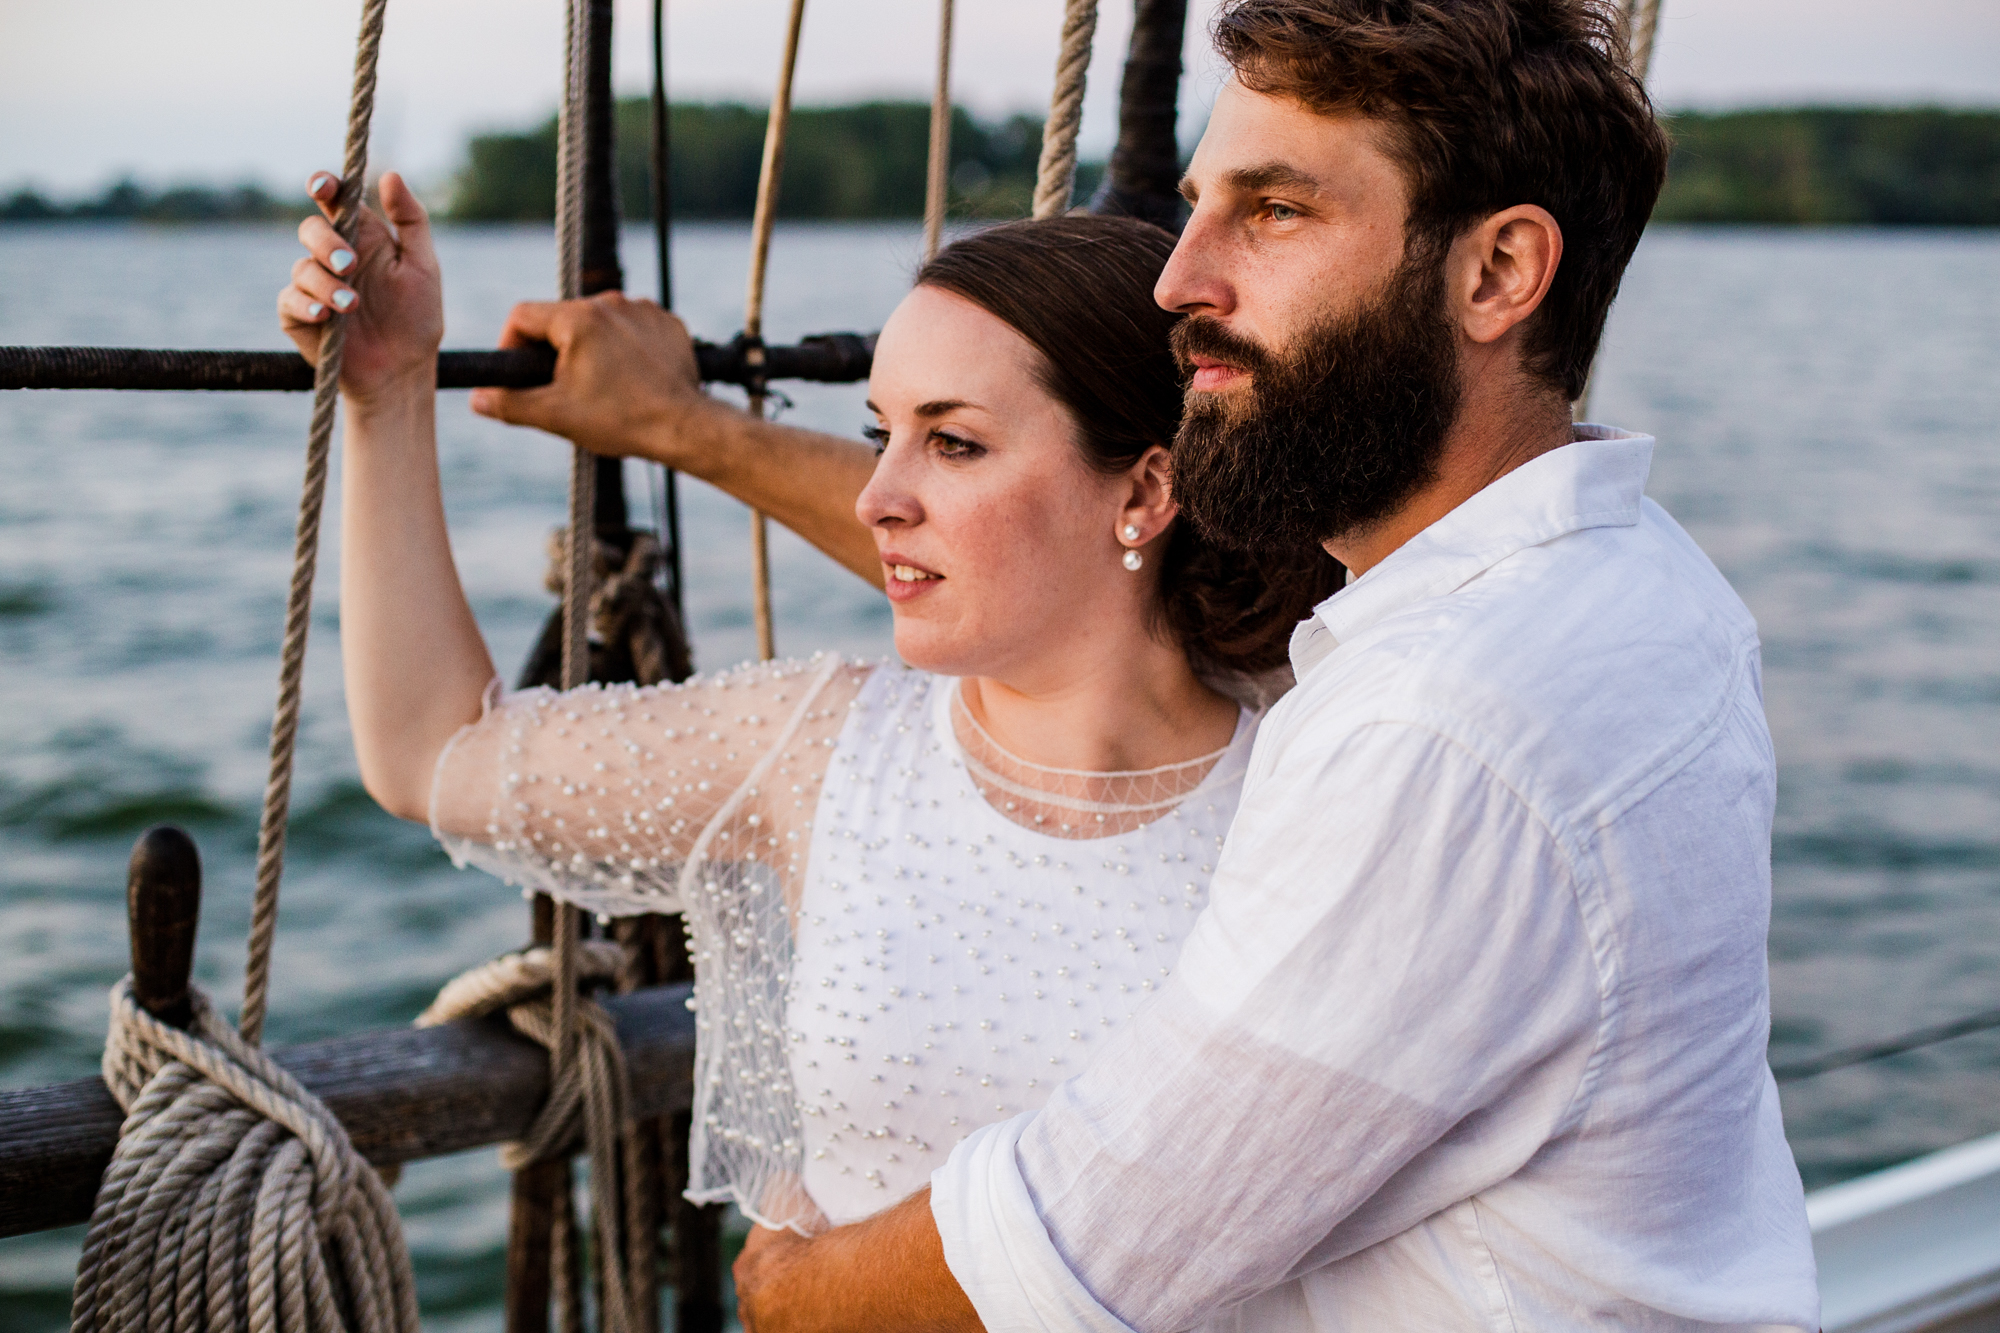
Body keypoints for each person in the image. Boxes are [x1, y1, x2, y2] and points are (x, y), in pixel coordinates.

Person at [451, 0, 1826, 1329]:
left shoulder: (1440, 724)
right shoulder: (1635, 579)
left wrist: (786, 1290)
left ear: (1497, 274)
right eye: (1202, 203)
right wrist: (683, 427)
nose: (1180, 278)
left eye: (1275, 213)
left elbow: (1077, 1250)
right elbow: (1067, 558)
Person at [277, 199, 1340, 1233]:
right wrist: (387, 391)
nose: (877, 494)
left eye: (953, 442)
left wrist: (683, 423)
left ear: (1145, 491)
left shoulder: (1325, 765)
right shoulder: (821, 747)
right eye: (881, 432)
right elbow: (432, 754)